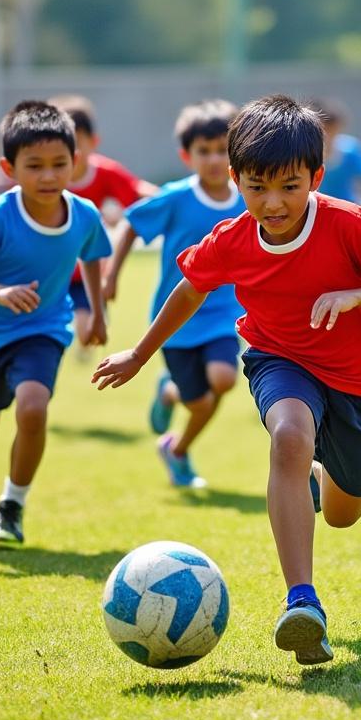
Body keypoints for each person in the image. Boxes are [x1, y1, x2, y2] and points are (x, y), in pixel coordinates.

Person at [92, 95, 361, 665]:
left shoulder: (348, 224)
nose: (273, 203)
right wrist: (141, 353)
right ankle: (303, 602)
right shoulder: (232, 238)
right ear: (236, 180)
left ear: (315, 178)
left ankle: (319, 481)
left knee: (345, 512)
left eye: (289, 187)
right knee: (289, 436)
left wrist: (356, 296)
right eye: (257, 188)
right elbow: (190, 290)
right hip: (280, 358)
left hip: (360, 380)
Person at [0, 100, 112, 545]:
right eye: (34, 166)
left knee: (33, 408)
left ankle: (11, 505)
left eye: (59, 164)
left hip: (44, 328)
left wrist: (97, 313)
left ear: (76, 162)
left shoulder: (84, 215)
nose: (49, 176)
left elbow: (93, 256)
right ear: (9, 168)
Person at [102, 99, 246, 489]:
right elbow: (131, 223)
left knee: (224, 378)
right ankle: (169, 393)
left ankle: (177, 449)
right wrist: (112, 275)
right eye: (204, 150)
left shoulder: (248, 197)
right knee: (198, 401)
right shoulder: (176, 197)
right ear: (187, 156)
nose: (214, 159)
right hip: (177, 315)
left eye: (222, 150)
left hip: (223, 311)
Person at [48, 94, 158, 362]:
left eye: (77, 142)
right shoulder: (45, 180)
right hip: (48, 270)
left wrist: (173, 198)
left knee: (87, 334)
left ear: (93, 142)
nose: (71, 151)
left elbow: (139, 192)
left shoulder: (105, 173)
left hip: (88, 273)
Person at [310, 98, 361, 215]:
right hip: (316, 211)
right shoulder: (307, 153)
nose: (328, 135)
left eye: (333, 129)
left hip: (347, 209)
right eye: (325, 129)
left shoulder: (351, 150)